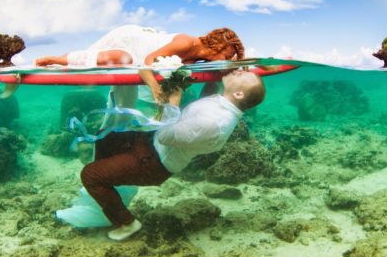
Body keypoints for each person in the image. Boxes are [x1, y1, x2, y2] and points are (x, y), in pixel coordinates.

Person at [79, 69, 266, 241]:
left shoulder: (214, 122)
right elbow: (205, 103)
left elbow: (165, 136)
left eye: (243, 75)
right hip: (150, 145)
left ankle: (127, 223)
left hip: (153, 162)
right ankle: (110, 191)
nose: (240, 71)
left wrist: (174, 98)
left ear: (239, 94)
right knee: (105, 138)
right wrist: (212, 80)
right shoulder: (223, 104)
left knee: (90, 175)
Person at [34, 25, 246, 110]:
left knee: (120, 62)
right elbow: (147, 62)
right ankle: (58, 59)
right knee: (123, 58)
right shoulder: (186, 43)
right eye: (226, 55)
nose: (224, 60)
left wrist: (170, 113)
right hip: (132, 42)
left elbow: (177, 86)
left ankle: (62, 59)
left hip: (141, 55)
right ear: (218, 45)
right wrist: (155, 90)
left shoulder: (196, 60)